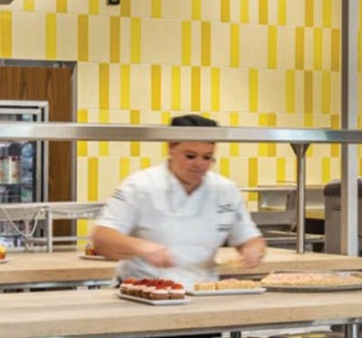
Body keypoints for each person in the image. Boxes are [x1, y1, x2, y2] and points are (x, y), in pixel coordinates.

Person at [90, 114, 266, 288]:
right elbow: (103, 238)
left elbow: (249, 238)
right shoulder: (140, 186)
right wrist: (142, 247)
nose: (199, 164)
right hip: (143, 288)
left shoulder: (226, 190)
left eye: (207, 158)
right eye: (190, 156)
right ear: (170, 148)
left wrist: (253, 250)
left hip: (203, 290)